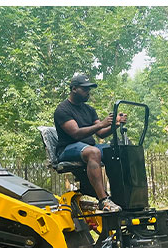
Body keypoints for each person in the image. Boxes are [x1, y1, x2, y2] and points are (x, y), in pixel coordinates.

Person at [54, 73, 127, 212]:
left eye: (89, 89)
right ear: (74, 89)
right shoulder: (62, 109)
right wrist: (101, 124)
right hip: (67, 149)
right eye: (85, 89)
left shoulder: (89, 109)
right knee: (93, 152)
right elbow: (76, 133)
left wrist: (116, 124)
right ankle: (103, 201)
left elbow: (101, 133)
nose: (88, 92)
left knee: (116, 150)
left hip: (88, 147)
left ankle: (120, 197)